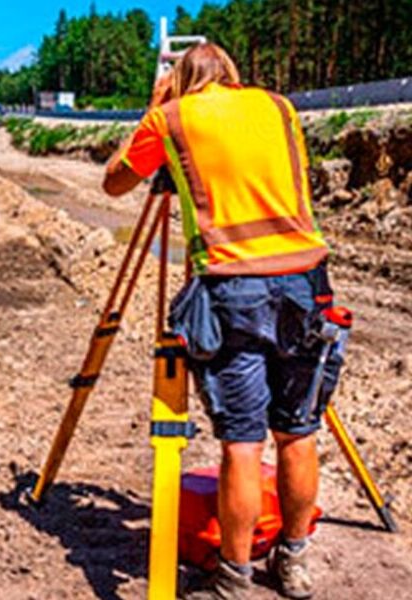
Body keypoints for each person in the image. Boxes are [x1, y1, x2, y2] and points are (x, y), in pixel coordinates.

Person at [103, 43, 339, 600]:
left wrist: (154, 110)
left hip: (232, 288)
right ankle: (294, 563)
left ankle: (233, 579)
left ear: (180, 80)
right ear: (233, 77)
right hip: (308, 281)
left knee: (242, 441)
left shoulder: (172, 116)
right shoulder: (279, 108)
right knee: (298, 431)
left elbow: (115, 181)